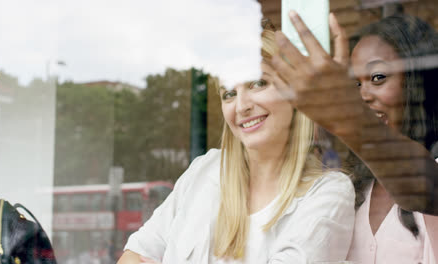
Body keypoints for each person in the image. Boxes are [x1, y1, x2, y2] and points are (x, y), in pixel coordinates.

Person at [116, 27, 355, 264]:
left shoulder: (329, 193)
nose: (241, 106)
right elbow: (133, 256)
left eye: (258, 83)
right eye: (229, 93)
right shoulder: (204, 169)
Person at [271, 11, 438, 264]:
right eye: (355, 84)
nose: (363, 96)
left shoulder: (428, 174)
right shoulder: (352, 188)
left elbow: (422, 186)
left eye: (378, 78)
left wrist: (346, 115)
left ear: (417, 82)